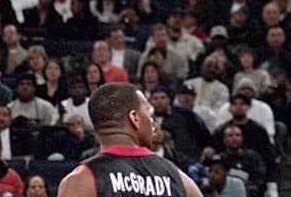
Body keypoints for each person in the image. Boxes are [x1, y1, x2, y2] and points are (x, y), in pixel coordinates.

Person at [56, 82, 205, 197]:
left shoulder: (80, 180)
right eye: (148, 112)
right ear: (134, 118)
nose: (152, 120)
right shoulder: (177, 177)